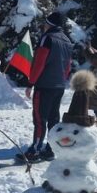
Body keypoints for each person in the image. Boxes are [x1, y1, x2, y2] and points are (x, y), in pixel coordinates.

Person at [18, 11, 73, 163]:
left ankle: (35, 150)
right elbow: (68, 66)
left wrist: (31, 83)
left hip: (44, 86)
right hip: (59, 85)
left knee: (39, 118)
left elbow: (39, 62)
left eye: (46, 23)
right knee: (53, 118)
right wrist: (62, 79)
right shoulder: (67, 41)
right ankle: (50, 149)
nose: (44, 25)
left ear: (50, 24)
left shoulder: (47, 38)